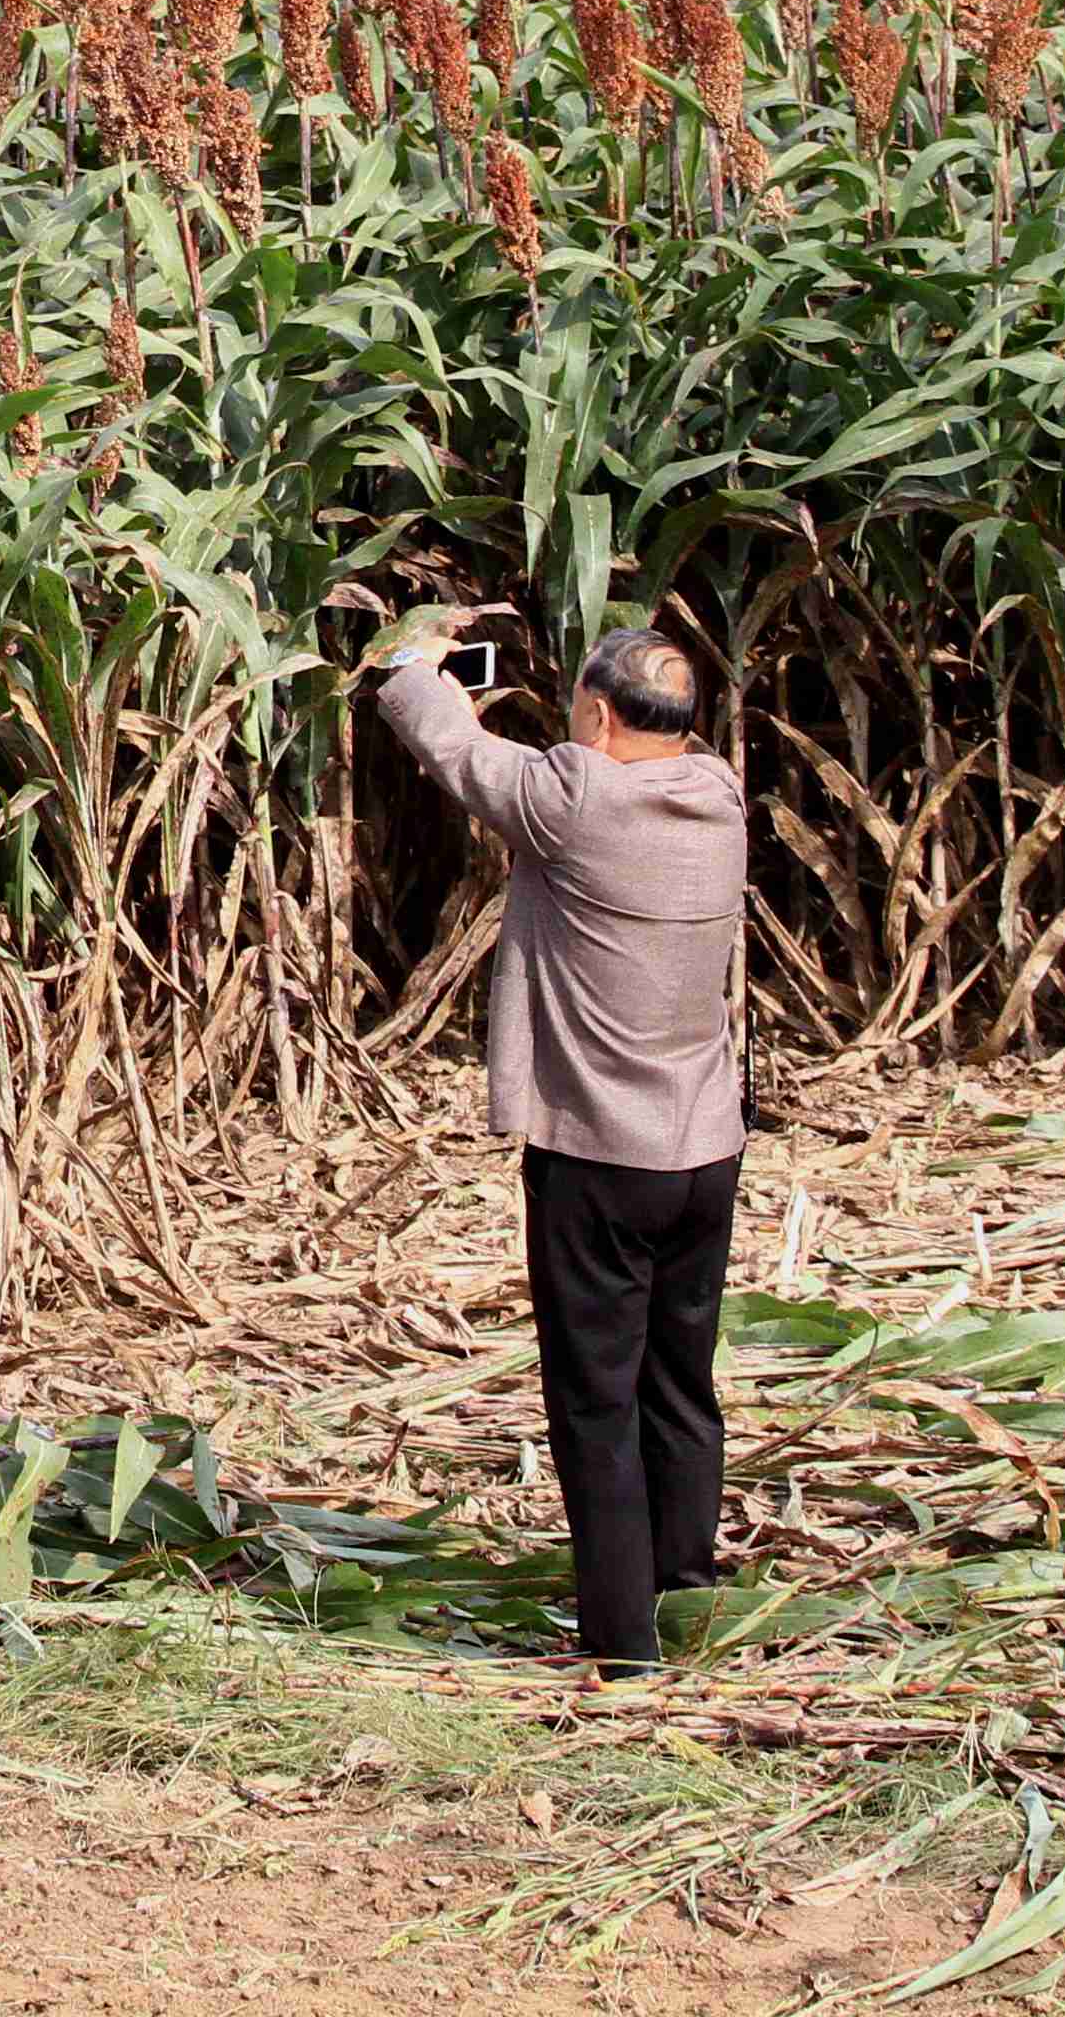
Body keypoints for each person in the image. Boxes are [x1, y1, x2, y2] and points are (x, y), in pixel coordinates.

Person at [369, 613, 746, 1673]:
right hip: (704, 1153)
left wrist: (415, 661)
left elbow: (451, 748)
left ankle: (623, 1647)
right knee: (681, 1381)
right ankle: (683, 1588)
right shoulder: (719, 799)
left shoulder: (575, 802)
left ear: (593, 715)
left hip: (599, 1163)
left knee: (595, 1400)